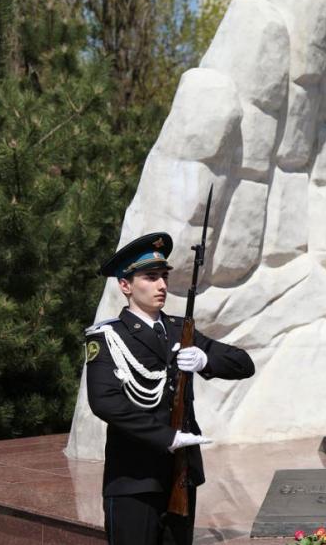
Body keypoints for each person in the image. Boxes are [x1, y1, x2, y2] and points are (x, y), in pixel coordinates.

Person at [85, 232, 254, 545]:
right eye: (150, 278)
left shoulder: (179, 329)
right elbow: (104, 401)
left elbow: (243, 363)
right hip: (134, 478)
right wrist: (168, 437)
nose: (162, 285)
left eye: (163, 277)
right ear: (125, 285)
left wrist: (206, 360)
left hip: (181, 473)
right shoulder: (108, 337)